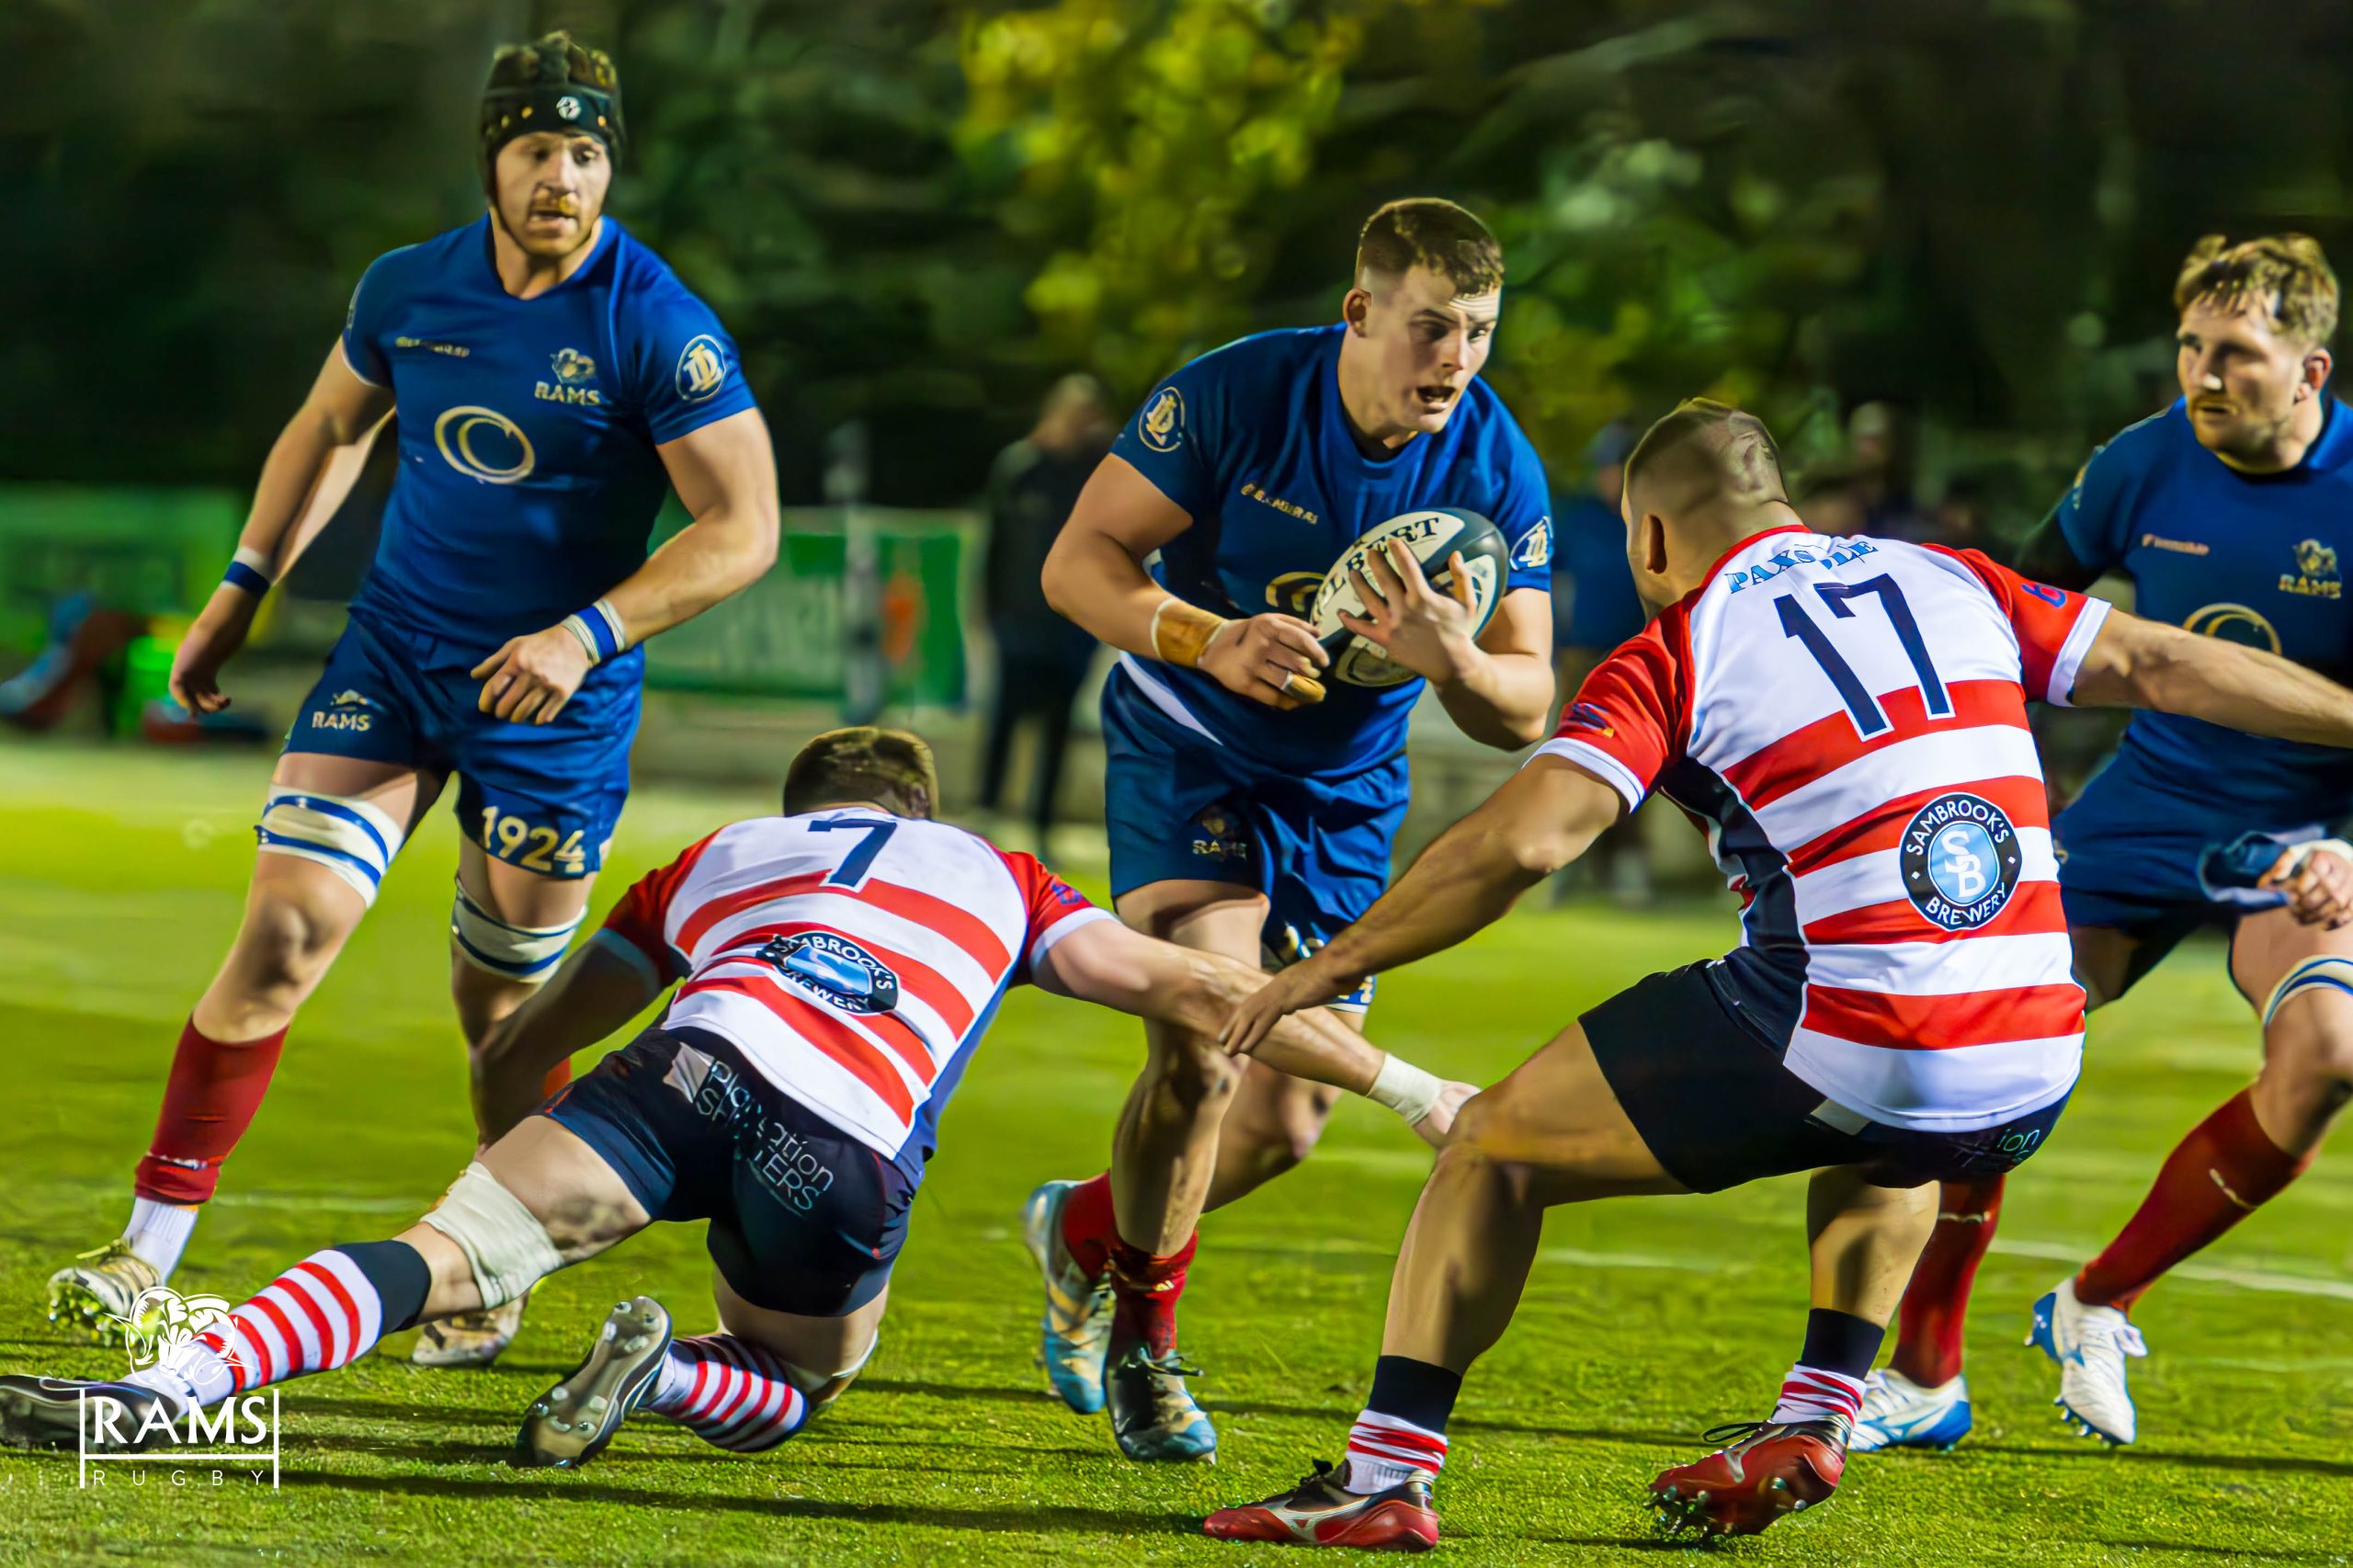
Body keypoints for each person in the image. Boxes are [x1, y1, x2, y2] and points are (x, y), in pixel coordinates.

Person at [1197, 398, 2353, 1546]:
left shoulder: (1680, 646)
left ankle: (1382, 1474)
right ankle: (1814, 1415)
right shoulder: (1954, 579)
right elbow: (2160, 660)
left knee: (1491, 1146)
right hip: (2035, 1052)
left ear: (1651, 535)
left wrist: (1331, 963)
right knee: (1894, 1125)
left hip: (1863, 1035)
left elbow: (1525, 842)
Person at [0, 729, 1470, 1462]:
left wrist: (508, 1201)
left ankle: (164, 1390)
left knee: (428, 1256)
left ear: (798, 808)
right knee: (805, 1375)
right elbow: (1206, 994)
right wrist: (1409, 1085)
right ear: (921, 813)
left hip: (684, 1070)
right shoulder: (1002, 876)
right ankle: (666, 1378)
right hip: (844, 1140)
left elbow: (523, 1040)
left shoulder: (709, 860)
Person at [42, 30, 781, 1371]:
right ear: (490, 158)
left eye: (587, 153)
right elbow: (329, 427)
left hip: (554, 708)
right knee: (282, 935)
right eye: (538, 148)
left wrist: (586, 633)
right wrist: (242, 587)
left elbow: (745, 527)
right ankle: (144, 1253)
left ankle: (489, 1268)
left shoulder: (654, 321)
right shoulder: (409, 287)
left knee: (505, 1025)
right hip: (392, 659)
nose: (563, 177)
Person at [1027, 199, 1558, 1461]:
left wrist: (1453, 660)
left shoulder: (1493, 462)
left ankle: (1089, 1229)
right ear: (1360, 311)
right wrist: (1207, 636)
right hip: (1189, 744)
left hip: (1344, 789)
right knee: (1206, 1045)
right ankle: (1146, 1346)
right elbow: (1079, 561)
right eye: (1432, 326)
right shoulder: (1237, 394)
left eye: (1480, 331)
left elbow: (1527, 701)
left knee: (1279, 1124)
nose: (1456, 359)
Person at [1855, 233, 2353, 1452]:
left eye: (2235, 354)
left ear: (2312, 370)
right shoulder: (2141, 461)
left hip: (2311, 827)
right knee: (1986, 1050)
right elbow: (2004, 607)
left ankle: (2098, 1299)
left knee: (2330, 1052)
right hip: (2147, 800)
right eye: (2190, 346)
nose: (2202, 375)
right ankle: (1923, 1374)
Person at [975, 375, 1116, 855]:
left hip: (1073, 626)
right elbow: (994, 545)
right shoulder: (1021, 466)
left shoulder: (1100, 472)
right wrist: (988, 610)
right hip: (1018, 622)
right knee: (1004, 719)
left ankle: (1043, 825)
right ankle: (987, 811)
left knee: (1058, 730)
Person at [1548, 422, 1650, 903]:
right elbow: (1550, 583)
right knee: (1570, 757)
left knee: (1635, 763)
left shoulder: (1652, 521)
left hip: (1639, 659)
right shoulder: (1579, 518)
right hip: (1581, 657)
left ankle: (1627, 865)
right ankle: (1562, 863)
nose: (1607, 478)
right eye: (1606, 469)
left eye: (1617, 469)